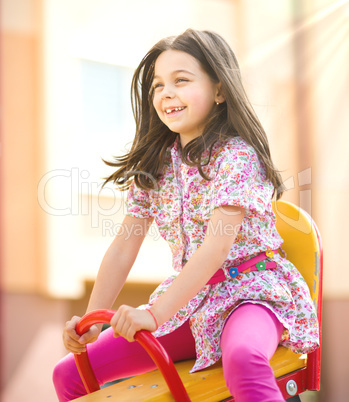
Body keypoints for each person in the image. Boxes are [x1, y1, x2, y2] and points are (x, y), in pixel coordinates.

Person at [53, 28, 319, 402]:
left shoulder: (236, 156)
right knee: (71, 373)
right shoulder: (157, 166)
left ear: (220, 90)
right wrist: (91, 321)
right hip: (193, 304)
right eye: (159, 85)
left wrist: (156, 313)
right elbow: (124, 246)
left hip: (250, 294)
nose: (167, 93)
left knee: (243, 357)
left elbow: (215, 248)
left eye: (181, 80)